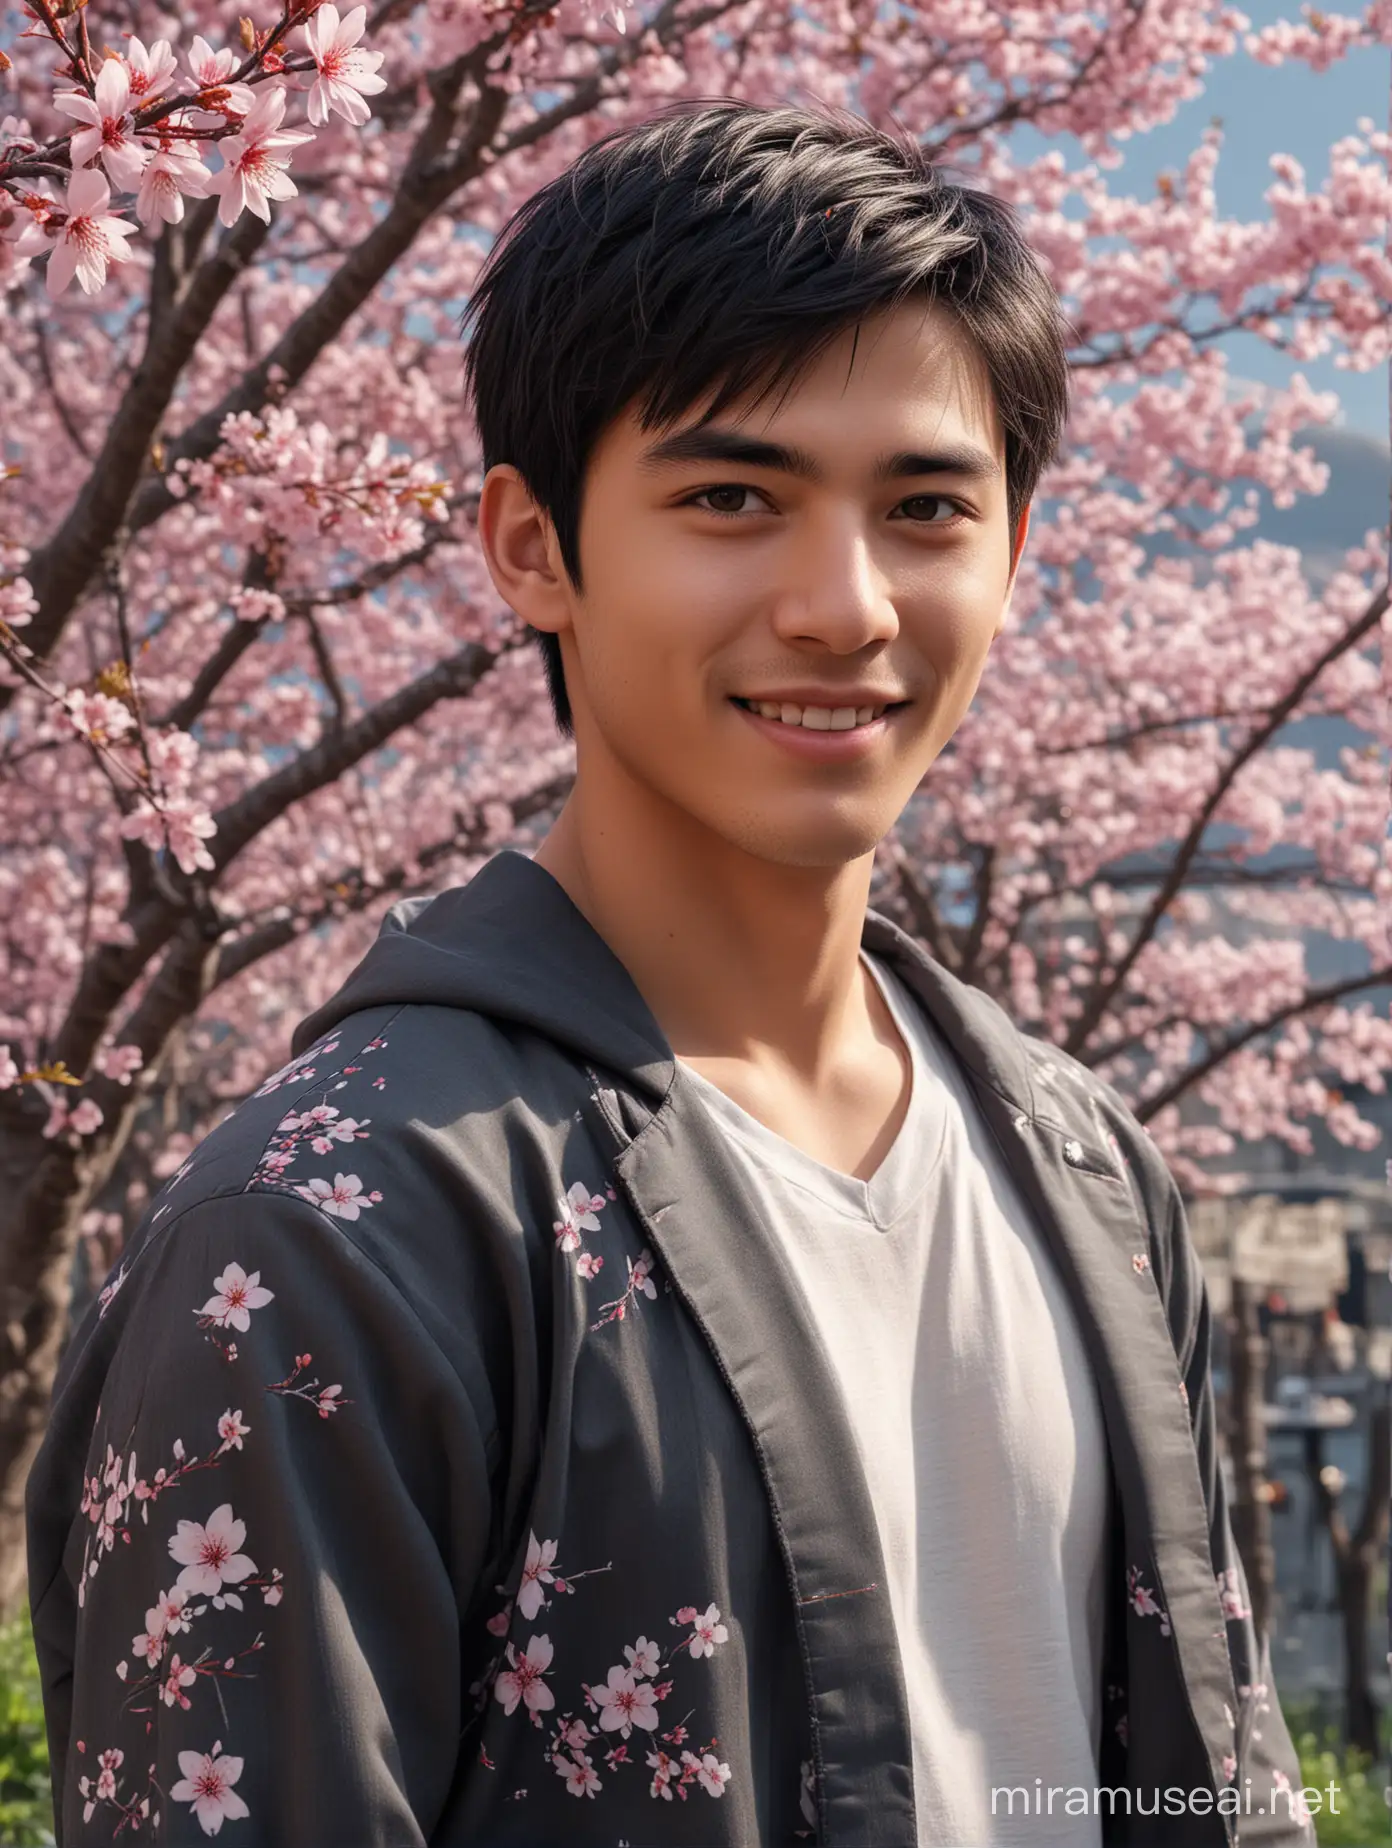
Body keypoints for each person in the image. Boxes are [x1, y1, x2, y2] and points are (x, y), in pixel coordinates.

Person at [27, 101, 1312, 1847]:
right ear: (531, 546)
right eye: (731, 497)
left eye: (928, 506)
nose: (846, 605)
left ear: (1016, 551)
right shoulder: (330, 1232)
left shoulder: (1092, 1170)